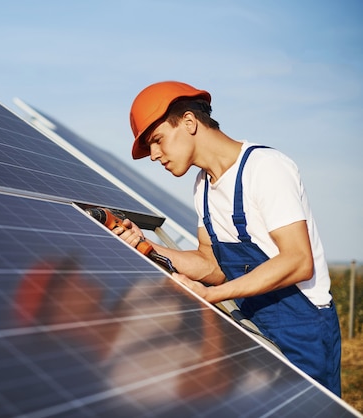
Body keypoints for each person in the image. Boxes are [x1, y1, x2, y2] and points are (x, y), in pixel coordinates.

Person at [113, 81, 341, 396]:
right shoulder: (202, 188)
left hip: (302, 332)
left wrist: (214, 295)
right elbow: (212, 264)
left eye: (157, 140)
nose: (154, 155)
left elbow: (298, 261)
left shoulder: (265, 168)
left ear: (189, 122)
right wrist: (145, 246)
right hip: (253, 327)